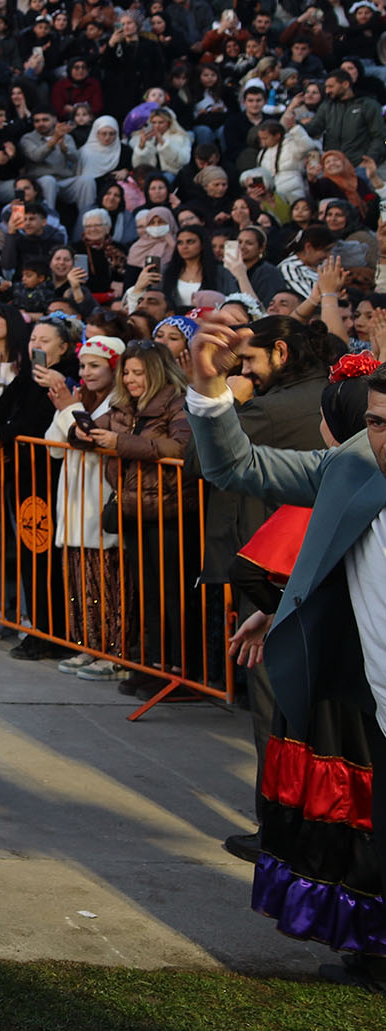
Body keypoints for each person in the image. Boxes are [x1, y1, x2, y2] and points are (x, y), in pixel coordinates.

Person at [185, 318, 386, 992]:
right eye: (377, 422)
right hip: (367, 689)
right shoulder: (355, 462)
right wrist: (210, 390)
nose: (381, 439)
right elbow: (236, 466)